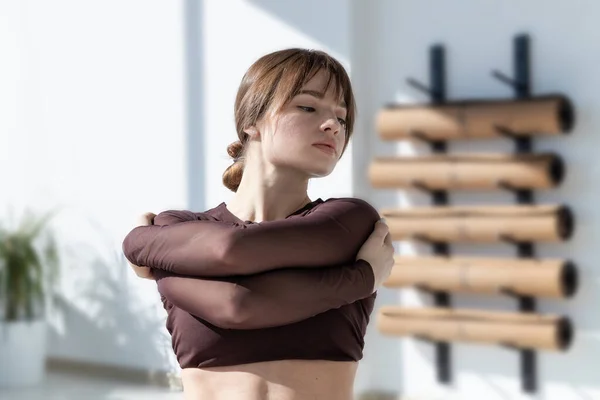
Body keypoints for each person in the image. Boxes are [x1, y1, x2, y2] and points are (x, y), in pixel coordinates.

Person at [122, 48, 395, 400]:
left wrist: (143, 246)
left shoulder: (351, 222)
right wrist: (362, 277)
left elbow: (237, 290)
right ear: (252, 121)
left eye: (341, 118)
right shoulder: (180, 223)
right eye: (308, 107)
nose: (332, 126)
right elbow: (233, 272)